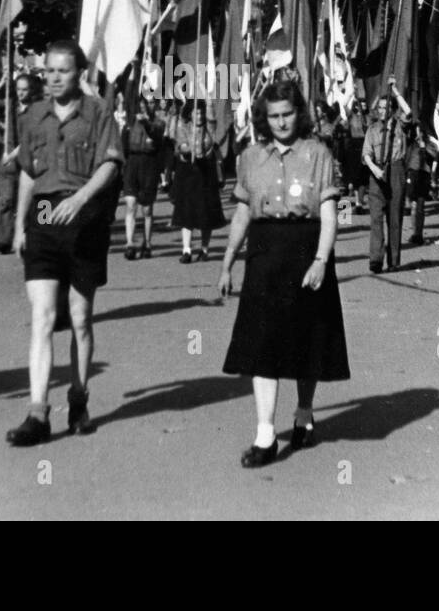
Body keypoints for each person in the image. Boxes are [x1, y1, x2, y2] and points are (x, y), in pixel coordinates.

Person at [218, 79, 349, 467]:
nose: (280, 122)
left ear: (300, 113)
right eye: (273, 116)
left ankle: (304, 414)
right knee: (263, 346)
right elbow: (243, 212)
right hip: (263, 254)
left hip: (306, 251)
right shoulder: (250, 157)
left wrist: (321, 260)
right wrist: (227, 261)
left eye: (287, 114)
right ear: (263, 117)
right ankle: (265, 435)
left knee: (306, 343)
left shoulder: (318, 153)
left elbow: (328, 214)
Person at [7, 39, 122, 446]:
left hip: (83, 217)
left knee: (80, 319)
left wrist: (80, 199)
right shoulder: (33, 115)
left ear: (80, 74)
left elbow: (109, 163)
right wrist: (21, 225)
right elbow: (26, 172)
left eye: (63, 71)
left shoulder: (97, 112)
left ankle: (78, 399)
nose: (54, 78)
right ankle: (37, 413)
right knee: (41, 317)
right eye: (48, 71)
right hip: (42, 218)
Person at [363, 80, 413, 273]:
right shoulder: (373, 129)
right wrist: (374, 168)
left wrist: (395, 91)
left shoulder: (399, 125)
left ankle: (394, 260)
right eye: (380, 108)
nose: (382, 111)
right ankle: (376, 259)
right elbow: (366, 153)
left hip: (396, 171)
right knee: (376, 217)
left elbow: (408, 112)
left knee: (394, 217)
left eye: (386, 108)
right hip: (377, 172)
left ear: (392, 110)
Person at [169, 100, 226, 262]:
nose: (199, 115)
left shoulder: (209, 127)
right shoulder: (184, 127)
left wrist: (208, 100)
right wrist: (188, 149)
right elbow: (181, 145)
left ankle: (204, 249)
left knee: (205, 212)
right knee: (187, 212)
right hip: (188, 172)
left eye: (201, 113)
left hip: (206, 173)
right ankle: (186, 250)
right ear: (191, 114)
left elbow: (212, 117)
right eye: (197, 112)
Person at [0, 72, 39, 254]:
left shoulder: (37, 110)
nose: (20, 93)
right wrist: (1, 83)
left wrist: (12, 155)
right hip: (9, 162)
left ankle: (37, 235)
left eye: (24, 89)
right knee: (6, 201)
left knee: (34, 200)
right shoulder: (11, 106)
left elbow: (28, 139)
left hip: (27, 160)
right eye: (18, 89)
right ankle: (2, 239)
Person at [121, 95, 165, 259]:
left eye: (149, 103)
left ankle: (147, 243)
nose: (145, 107)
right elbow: (123, 144)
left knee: (146, 209)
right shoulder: (130, 123)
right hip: (132, 163)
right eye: (142, 104)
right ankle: (130, 243)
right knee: (130, 204)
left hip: (149, 164)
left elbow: (156, 136)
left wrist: (147, 122)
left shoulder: (158, 122)